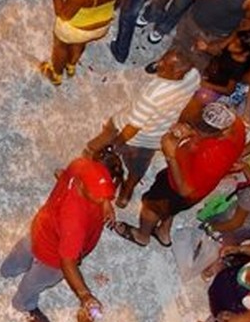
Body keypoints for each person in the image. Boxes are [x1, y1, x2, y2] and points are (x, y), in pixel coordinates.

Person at [0, 153, 120, 322]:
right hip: (53, 257)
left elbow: (64, 174)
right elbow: (67, 263)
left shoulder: (80, 165)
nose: (102, 199)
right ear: (80, 185)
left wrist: (104, 202)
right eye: (98, 196)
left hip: (41, 227)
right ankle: (23, 304)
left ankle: (8, 270)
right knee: (35, 281)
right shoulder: (74, 221)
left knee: (23, 250)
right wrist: (85, 295)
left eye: (106, 195)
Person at [116, 101, 247, 248]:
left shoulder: (212, 156)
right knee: (170, 208)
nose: (198, 131)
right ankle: (163, 232)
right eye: (199, 125)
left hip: (181, 188)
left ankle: (142, 236)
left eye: (205, 130)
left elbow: (185, 191)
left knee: (151, 209)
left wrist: (170, 156)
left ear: (221, 132)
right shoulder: (237, 126)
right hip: (193, 174)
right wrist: (188, 132)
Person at [86, 50, 201, 207]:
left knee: (109, 131)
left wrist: (115, 144)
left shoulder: (154, 93)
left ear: (177, 71)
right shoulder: (193, 76)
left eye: (164, 64)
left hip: (135, 135)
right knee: (139, 165)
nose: (158, 64)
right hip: (156, 136)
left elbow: (133, 126)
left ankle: (87, 158)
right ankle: (126, 193)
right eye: (162, 58)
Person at [42, 0, 126, 86]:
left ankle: (56, 75)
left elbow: (63, 15)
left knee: (60, 48)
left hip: (75, 29)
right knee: (80, 43)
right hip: (101, 27)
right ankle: (71, 66)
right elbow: (118, 3)